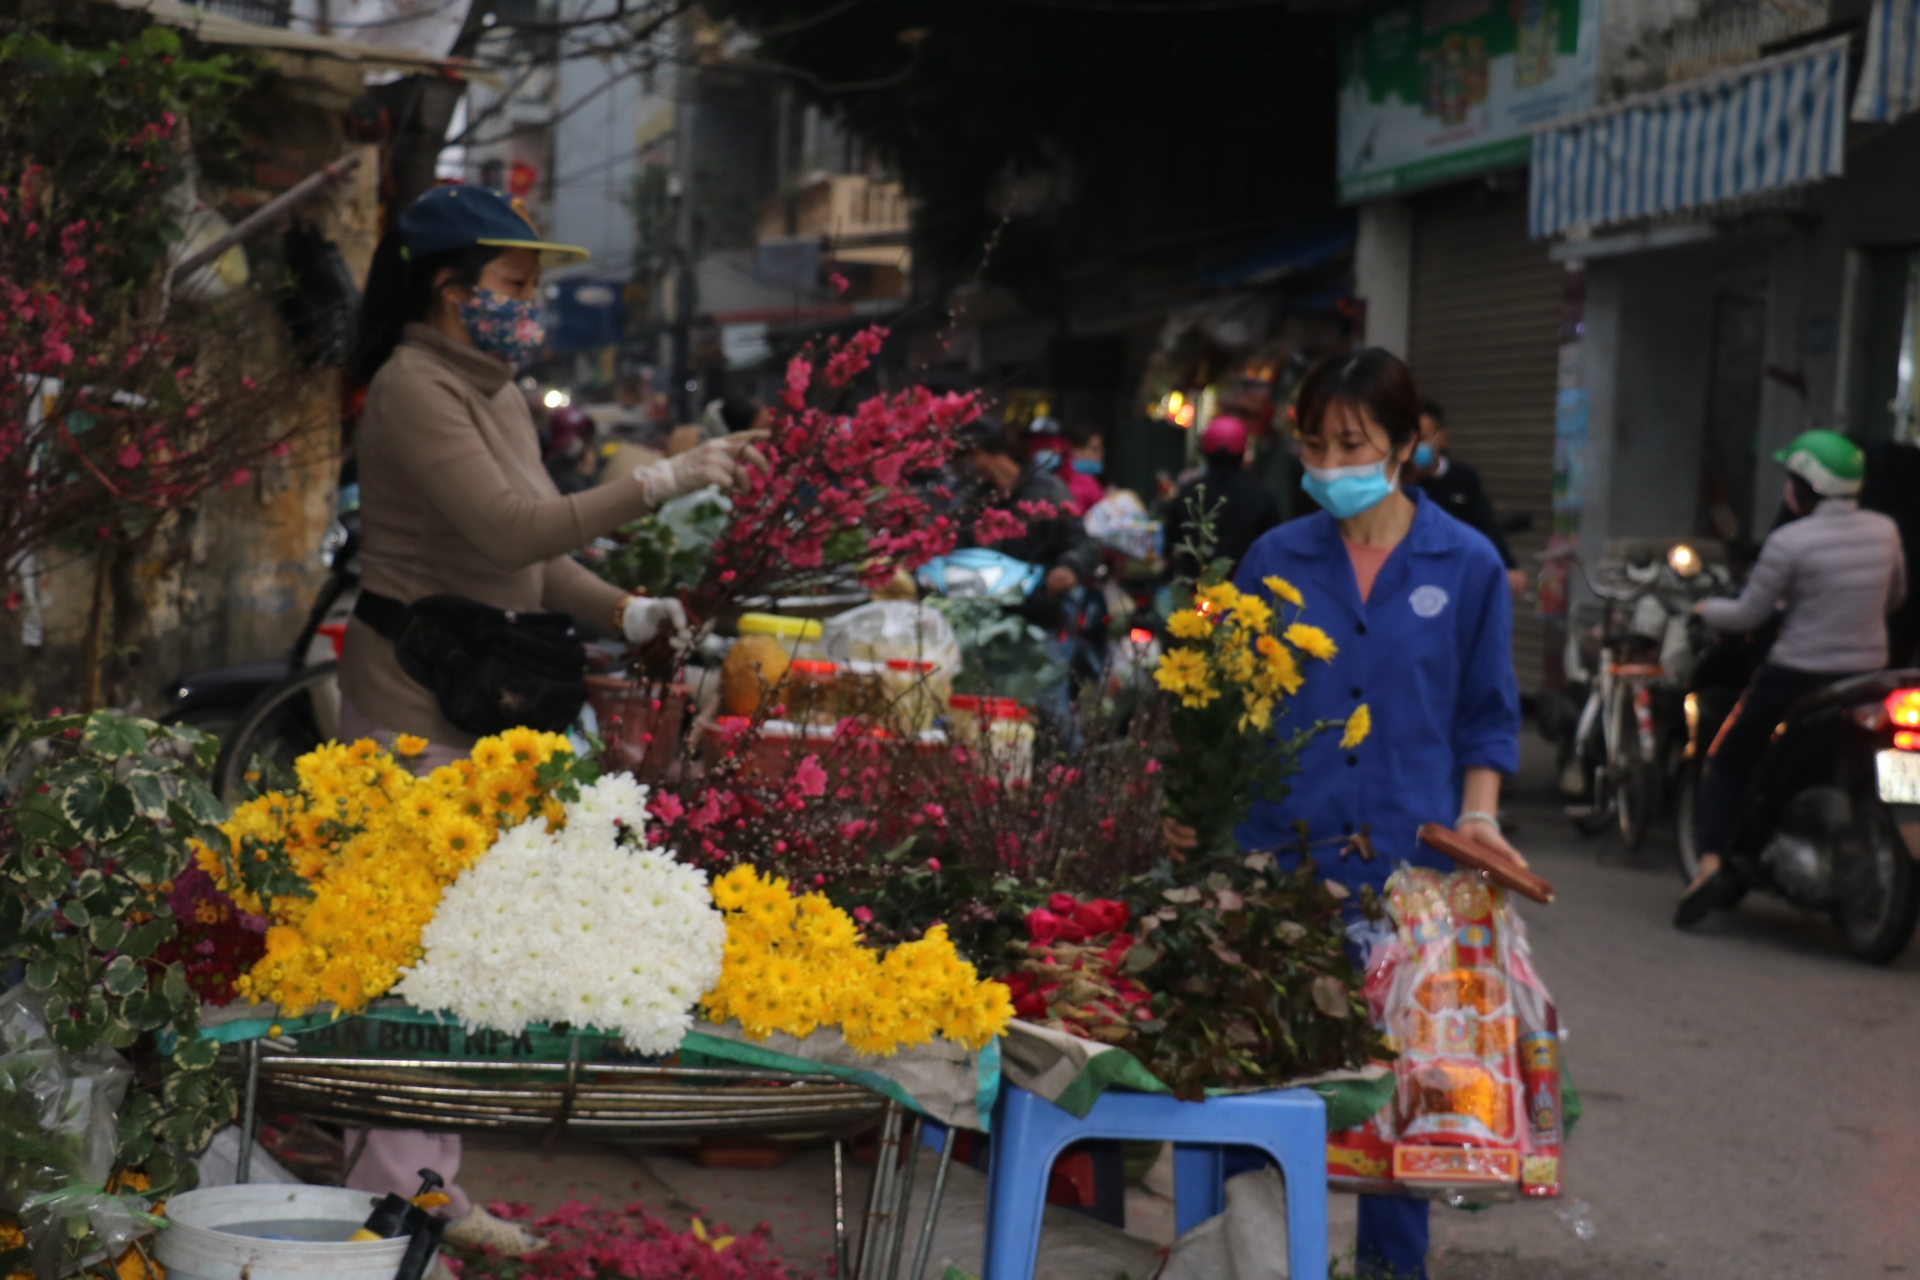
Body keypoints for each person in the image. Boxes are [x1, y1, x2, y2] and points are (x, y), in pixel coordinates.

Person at [338, 183, 766, 1268]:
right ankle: (389, 1202)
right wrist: (658, 479)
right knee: (411, 961)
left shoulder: (497, 391)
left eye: (534, 288)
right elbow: (507, 522)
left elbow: (530, 557)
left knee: (460, 959)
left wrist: (625, 608)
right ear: (449, 291)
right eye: (513, 286)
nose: (530, 306)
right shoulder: (412, 386)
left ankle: (429, 1185)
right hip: (409, 706)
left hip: (485, 704)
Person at [1207, 348, 1525, 1280]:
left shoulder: (1465, 565)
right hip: (1280, 859)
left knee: (1398, 1103)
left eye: (1352, 442)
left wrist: (1482, 818)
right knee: (1263, 1085)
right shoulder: (1276, 554)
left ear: (1404, 442)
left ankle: (1391, 1272)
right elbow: (1229, 703)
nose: (1331, 463)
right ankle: (1258, 1262)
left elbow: (1486, 715)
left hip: (1410, 873)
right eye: (1315, 443)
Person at [1677, 430, 1907, 926]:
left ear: (1805, 488)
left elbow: (1747, 616)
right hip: (1870, 675)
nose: (1787, 490)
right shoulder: (1886, 531)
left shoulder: (1788, 541)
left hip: (1797, 675)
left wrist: (1703, 607)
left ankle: (1710, 864)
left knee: (1727, 758)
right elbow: (1894, 598)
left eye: (1792, 480)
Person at [1408, 400, 1529, 598]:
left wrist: (1509, 566)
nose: (1414, 448)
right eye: (1408, 440)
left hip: (1458, 579)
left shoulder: (1463, 477)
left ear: (1443, 439)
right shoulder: (1398, 485)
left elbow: (1485, 524)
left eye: (1422, 439)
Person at [1162, 415, 1282, 580]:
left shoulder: (1187, 492)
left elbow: (1170, 544)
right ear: (1243, 451)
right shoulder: (1262, 495)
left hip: (1193, 591)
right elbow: (1273, 547)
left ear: (1204, 450)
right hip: (1246, 591)